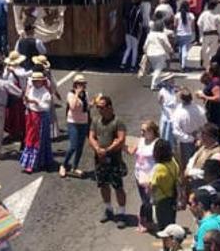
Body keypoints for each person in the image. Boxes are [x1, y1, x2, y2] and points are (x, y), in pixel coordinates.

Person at [89, 95, 128, 229]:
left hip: (114, 159)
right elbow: (92, 137)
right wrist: (97, 149)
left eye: (101, 107)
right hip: (99, 159)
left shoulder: (118, 122)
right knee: (103, 185)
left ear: (109, 107)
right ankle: (108, 209)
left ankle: (122, 213)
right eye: (97, 107)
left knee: (118, 186)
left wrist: (107, 150)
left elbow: (120, 139)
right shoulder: (96, 121)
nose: (99, 109)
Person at [20, 71, 54, 174]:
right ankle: (29, 163)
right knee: (30, 138)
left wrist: (36, 102)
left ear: (41, 82)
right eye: (33, 81)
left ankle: (38, 162)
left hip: (41, 118)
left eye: (37, 81)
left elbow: (46, 107)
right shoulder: (32, 90)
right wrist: (26, 101)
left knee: (39, 140)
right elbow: (27, 102)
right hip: (31, 116)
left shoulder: (46, 93)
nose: (35, 83)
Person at [128, 120, 159, 233]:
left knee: (150, 200)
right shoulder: (141, 141)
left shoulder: (157, 143)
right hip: (139, 175)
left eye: (144, 130)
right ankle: (144, 221)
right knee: (145, 200)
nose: (141, 133)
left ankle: (146, 220)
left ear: (152, 131)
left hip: (151, 176)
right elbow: (131, 151)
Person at [61, 75, 91, 178]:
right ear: (75, 84)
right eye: (80, 84)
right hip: (73, 122)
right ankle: (64, 165)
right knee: (73, 145)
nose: (82, 86)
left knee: (80, 146)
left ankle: (75, 166)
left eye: (83, 84)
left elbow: (86, 107)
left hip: (83, 122)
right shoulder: (71, 94)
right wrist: (77, 94)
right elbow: (73, 107)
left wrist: (92, 103)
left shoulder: (86, 94)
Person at [171, 87, 205, 170]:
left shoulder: (178, 113)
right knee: (199, 161)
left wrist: (191, 138)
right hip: (200, 139)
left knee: (187, 163)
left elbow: (176, 131)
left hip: (186, 142)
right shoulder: (200, 110)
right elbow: (205, 124)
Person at [149, 139, 180, 230]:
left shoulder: (158, 168)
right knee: (171, 224)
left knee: (163, 228)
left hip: (161, 200)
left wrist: (151, 198)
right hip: (172, 197)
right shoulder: (173, 163)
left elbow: (152, 186)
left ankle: (167, 244)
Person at [144, 21, 173, 90]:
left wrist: (145, 52)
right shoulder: (162, 35)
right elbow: (167, 45)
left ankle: (158, 82)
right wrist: (170, 50)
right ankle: (154, 84)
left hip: (150, 53)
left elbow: (145, 45)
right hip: (160, 53)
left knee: (156, 69)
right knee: (158, 69)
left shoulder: (150, 34)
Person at [197, 2, 220, 69]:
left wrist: (201, 32)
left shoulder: (204, 14)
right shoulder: (217, 15)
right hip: (214, 34)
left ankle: (206, 64)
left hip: (206, 34)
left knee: (205, 50)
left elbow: (199, 23)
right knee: (213, 50)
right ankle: (210, 64)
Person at [174, 2, 195, 72]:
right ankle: (183, 66)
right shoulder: (191, 15)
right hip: (187, 34)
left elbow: (175, 25)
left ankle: (181, 63)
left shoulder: (177, 15)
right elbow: (192, 26)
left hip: (179, 34)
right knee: (185, 50)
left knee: (180, 49)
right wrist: (192, 31)